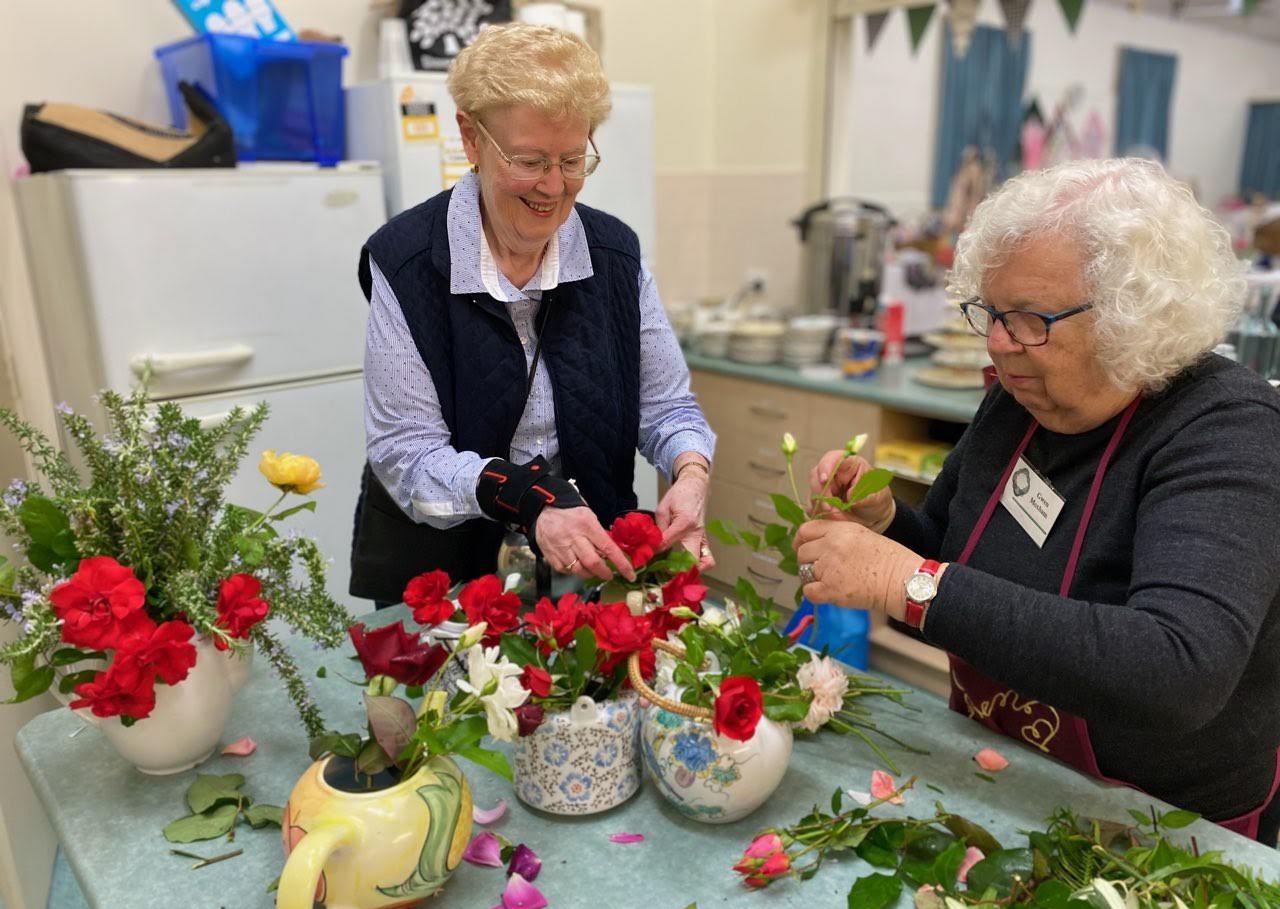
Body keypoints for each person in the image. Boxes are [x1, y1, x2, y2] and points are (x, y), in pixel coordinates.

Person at [795, 158, 1280, 843]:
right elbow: (946, 582)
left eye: (1028, 319)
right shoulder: (1015, 401)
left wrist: (901, 579)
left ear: (1129, 317)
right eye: (991, 312)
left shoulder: (1228, 429)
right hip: (1008, 776)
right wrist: (887, 531)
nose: (996, 343)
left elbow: (1178, 670)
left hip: (1161, 829)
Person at [350, 22, 715, 605]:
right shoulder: (409, 261)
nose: (553, 187)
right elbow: (407, 453)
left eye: (572, 159)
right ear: (470, 140)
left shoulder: (613, 254)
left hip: (584, 568)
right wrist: (527, 498)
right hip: (443, 578)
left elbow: (666, 406)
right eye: (529, 160)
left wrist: (689, 474)